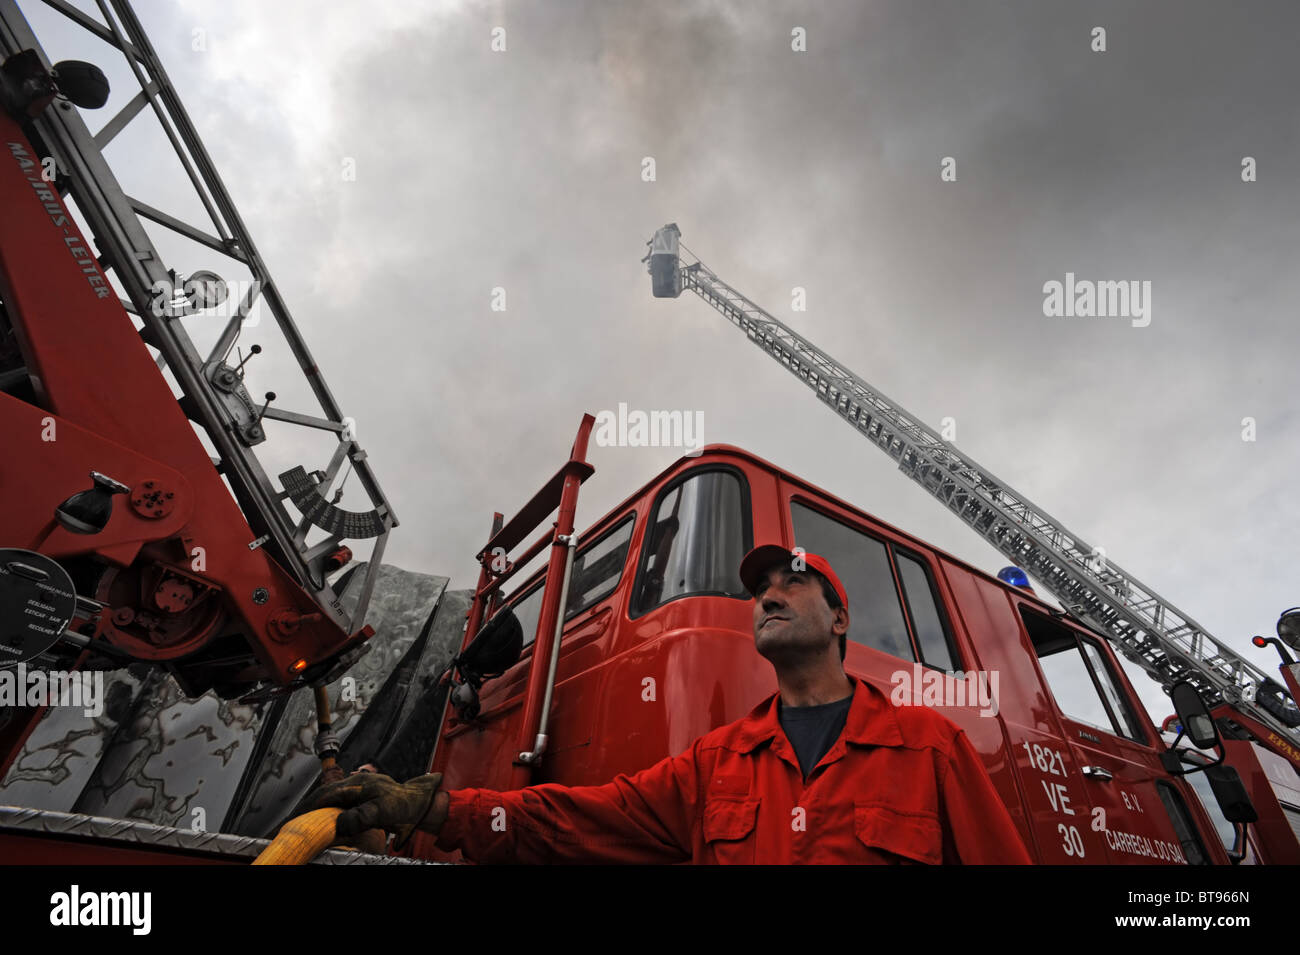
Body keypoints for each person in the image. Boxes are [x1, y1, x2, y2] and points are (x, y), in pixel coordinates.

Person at [304, 545, 1034, 864]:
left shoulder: (929, 746)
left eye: (793, 583)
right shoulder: (717, 763)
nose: (768, 595)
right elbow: (572, 821)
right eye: (758, 589)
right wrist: (434, 810)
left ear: (841, 621)